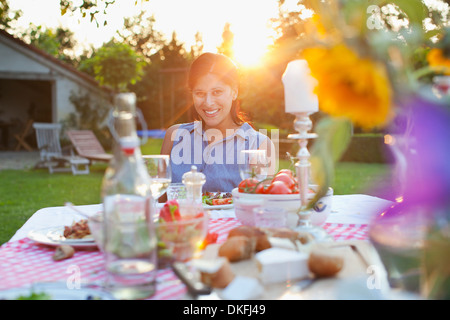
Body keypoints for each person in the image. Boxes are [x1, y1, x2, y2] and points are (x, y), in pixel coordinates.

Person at [161, 52, 275, 192]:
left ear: (234, 92)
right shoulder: (175, 136)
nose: (208, 103)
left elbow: (260, 207)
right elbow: (157, 200)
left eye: (217, 92)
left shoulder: (259, 145)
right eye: (200, 93)